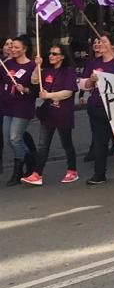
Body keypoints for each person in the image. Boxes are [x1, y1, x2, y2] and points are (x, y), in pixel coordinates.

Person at [22, 46, 79, 185]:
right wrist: (37, 66)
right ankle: (37, 174)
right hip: (48, 113)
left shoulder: (69, 71)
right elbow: (35, 80)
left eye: (55, 53)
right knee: (43, 145)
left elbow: (68, 92)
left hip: (63, 112)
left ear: (62, 56)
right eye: (50, 53)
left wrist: (49, 95)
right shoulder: (47, 70)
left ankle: (72, 170)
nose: (51, 56)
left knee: (66, 143)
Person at [79, 33, 114, 185]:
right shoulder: (94, 63)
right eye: (98, 41)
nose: (100, 44)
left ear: (113, 45)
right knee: (99, 141)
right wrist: (90, 81)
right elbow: (83, 85)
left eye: (104, 41)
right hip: (98, 107)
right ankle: (99, 173)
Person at [3, 35, 37, 185]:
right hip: (7, 106)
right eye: (12, 47)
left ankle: (18, 171)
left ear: (25, 48)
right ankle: (31, 159)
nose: (13, 50)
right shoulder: (8, 63)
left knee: (15, 138)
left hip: (23, 107)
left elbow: (36, 90)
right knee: (9, 140)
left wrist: (25, 89)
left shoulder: (32, 66)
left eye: (17, 47)